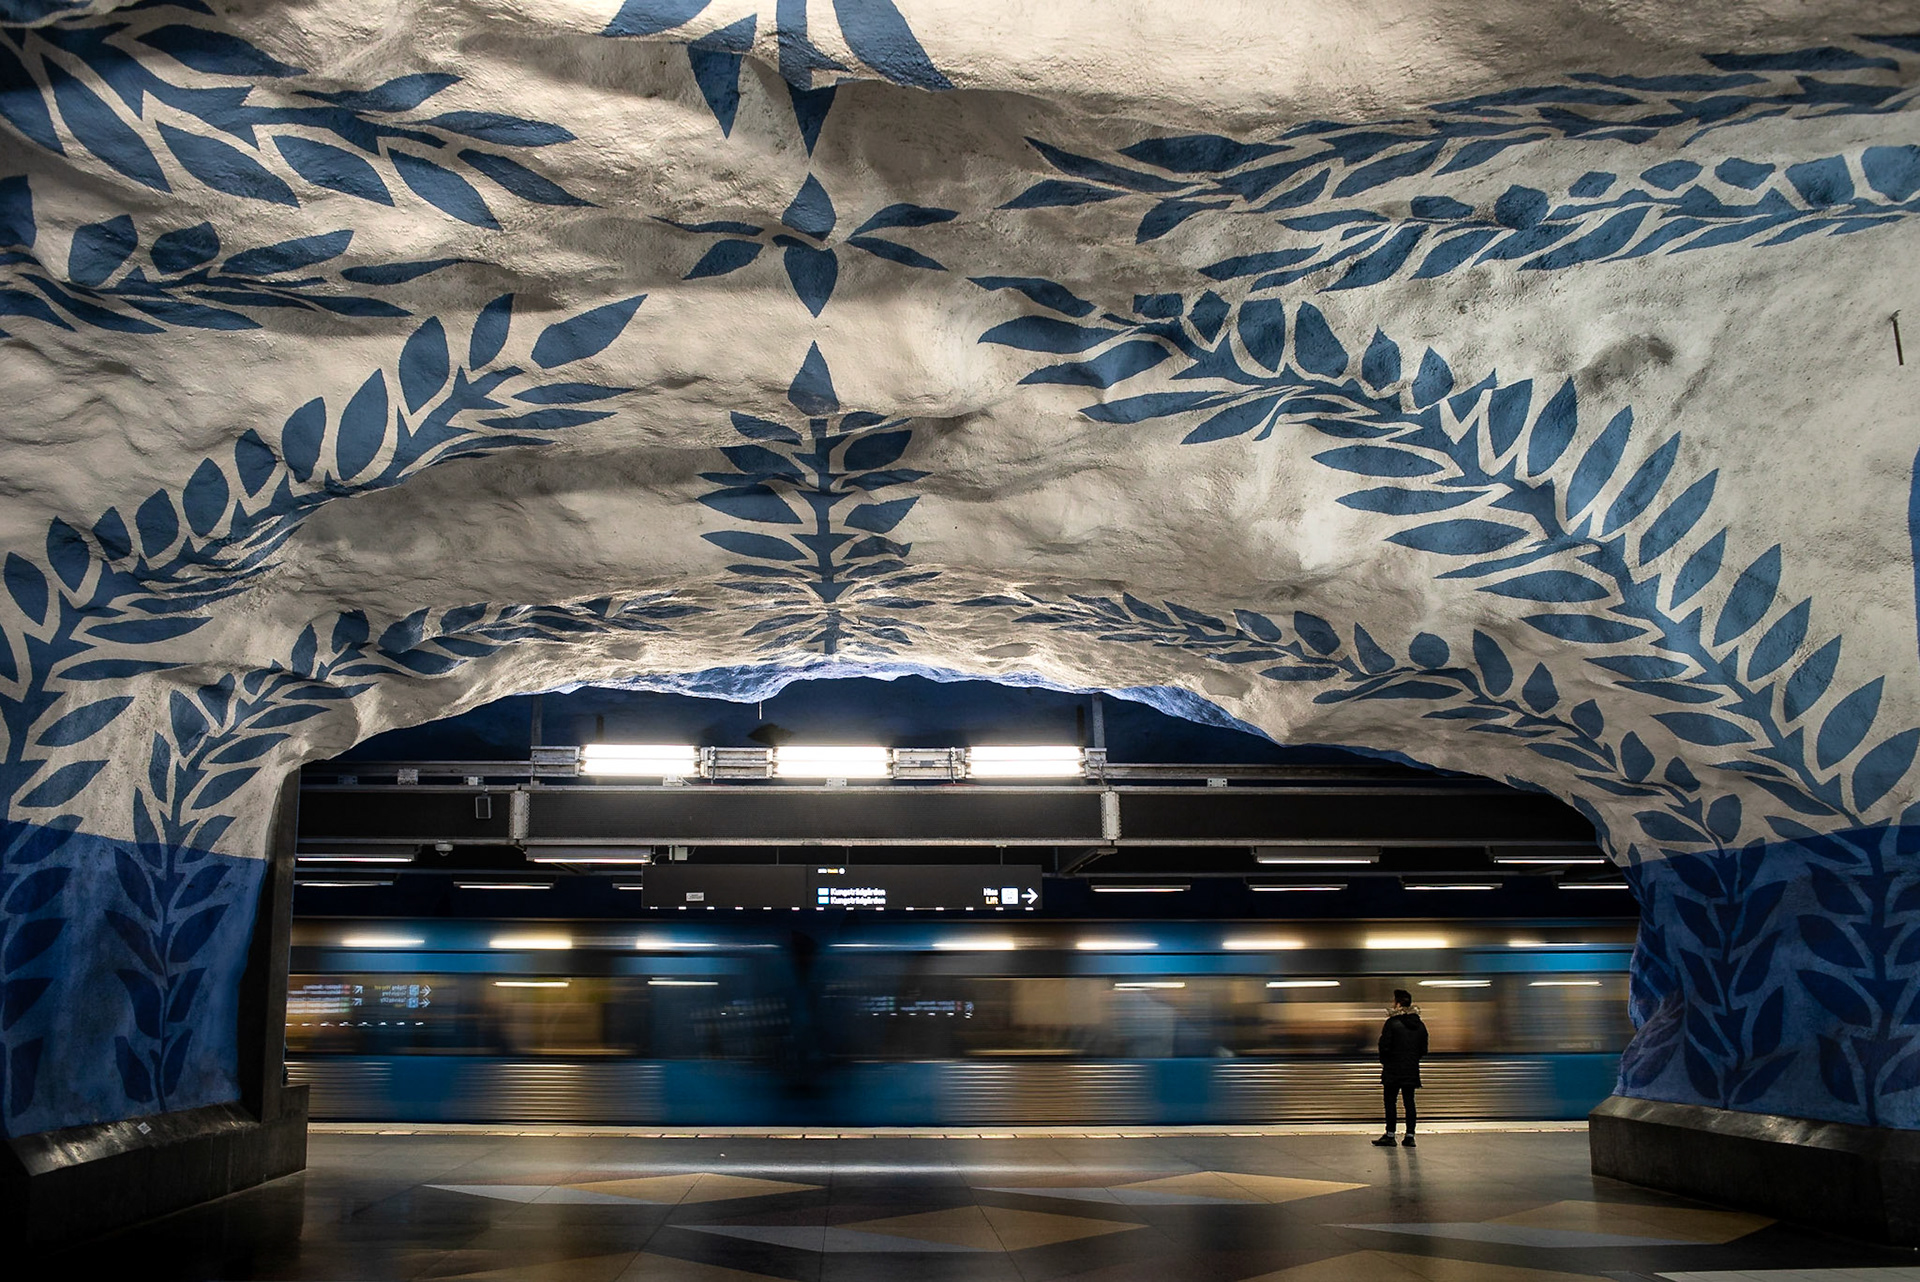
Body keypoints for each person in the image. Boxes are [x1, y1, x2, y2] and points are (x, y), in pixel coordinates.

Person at [1371, 988, 1428, 1147]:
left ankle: (1390, 1135)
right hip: (1411, 1069)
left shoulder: (1392, 1023)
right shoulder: (1420, 1025)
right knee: (1409, 1102)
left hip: (1393, 1070)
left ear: (1398, 1003)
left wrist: (1386, 1062)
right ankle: (1410, 1136)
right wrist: (1412, 1060)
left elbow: (1384, 1046)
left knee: (1391, 1102)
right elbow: (1423, 1049)